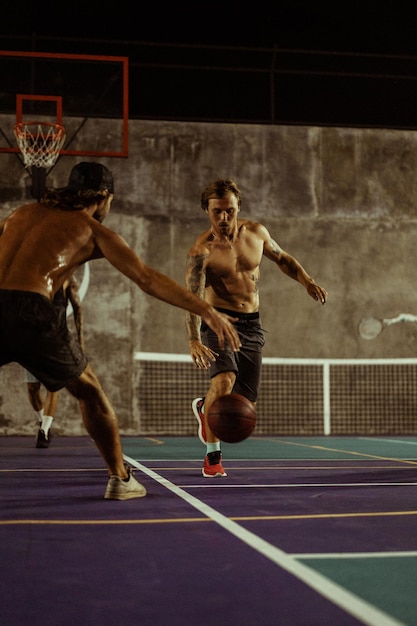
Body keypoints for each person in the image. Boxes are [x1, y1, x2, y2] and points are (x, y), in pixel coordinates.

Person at [0, 162, 240, 500]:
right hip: (32, 311)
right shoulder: (92, 228)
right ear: (103, 197)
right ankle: (120, 478)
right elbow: (146, 278)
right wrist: (206, 309)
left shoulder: (19, 214)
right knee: (89, 392)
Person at [185, 178, 328, 477]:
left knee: (244, 400)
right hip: (218, 321)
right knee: (223, 382)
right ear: (207, 211)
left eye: (229, 211)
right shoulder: (201, 251)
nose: (224, 218)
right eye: (217, 212)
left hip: (252, 324)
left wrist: (307, 281)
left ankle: (204, 410)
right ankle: (213, 458)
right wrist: (194, 339)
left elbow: (283, 258)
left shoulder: (257, 233)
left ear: (238, 207)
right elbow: (193, 298)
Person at [27, 275, 85, 448]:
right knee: (32, 388)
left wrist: (81, 341)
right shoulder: (36, 275)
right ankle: (42, 422)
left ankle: (44, 430)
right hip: (33, 340)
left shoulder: (68, 279)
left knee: (53, 386)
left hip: (56, 342)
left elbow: (77, 308)